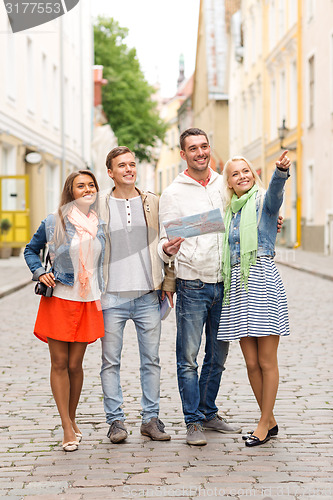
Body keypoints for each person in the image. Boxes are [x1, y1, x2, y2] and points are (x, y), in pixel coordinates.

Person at [158, 128, 243, 446]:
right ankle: (192, 421)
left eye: (204, 146)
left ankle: (208, 413)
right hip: (192, 283)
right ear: (183, 154)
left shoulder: (225, 184)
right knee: (188, 358)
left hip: (225, 282)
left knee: (218, 355)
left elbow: (245, 214)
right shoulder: (173, 192)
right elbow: (165, 238)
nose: (200, 152)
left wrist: (269, 221)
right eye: (192, 148)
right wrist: (167, 248)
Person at [99, 146, 179, 444]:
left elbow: (168, 242)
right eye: (122, 165)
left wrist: (168, 284)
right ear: (111, 172)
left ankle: (150, 419)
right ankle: (115, 421)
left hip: (148, 294)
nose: (129, 169)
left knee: (151, 360)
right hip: (112, 298)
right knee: (110, 362)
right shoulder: (100, 205)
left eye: (132, 164)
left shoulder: (153, 203)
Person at [24, 170, 106, 452]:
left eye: (91, 185)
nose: (86, 189)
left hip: (88, 300)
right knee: (59, 364)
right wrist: (39, 272)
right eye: (80, 185)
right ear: (70, 191)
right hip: (59, 298)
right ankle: (67, 427)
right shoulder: (53, 221)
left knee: (75, 365)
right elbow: (30, 250)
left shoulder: (101, 224)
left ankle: (72, 418)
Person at [217, 151, 291, 447]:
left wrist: (280, 172)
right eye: (235, 174)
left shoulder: (262, 202)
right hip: (236, 285)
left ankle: (263, 422)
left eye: (246, 171)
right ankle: (269, 419)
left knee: (266, 359)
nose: (242, 176)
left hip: (261, 279)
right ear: (229, 183)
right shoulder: (229, 212)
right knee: (250, 363)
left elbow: (275, 195)